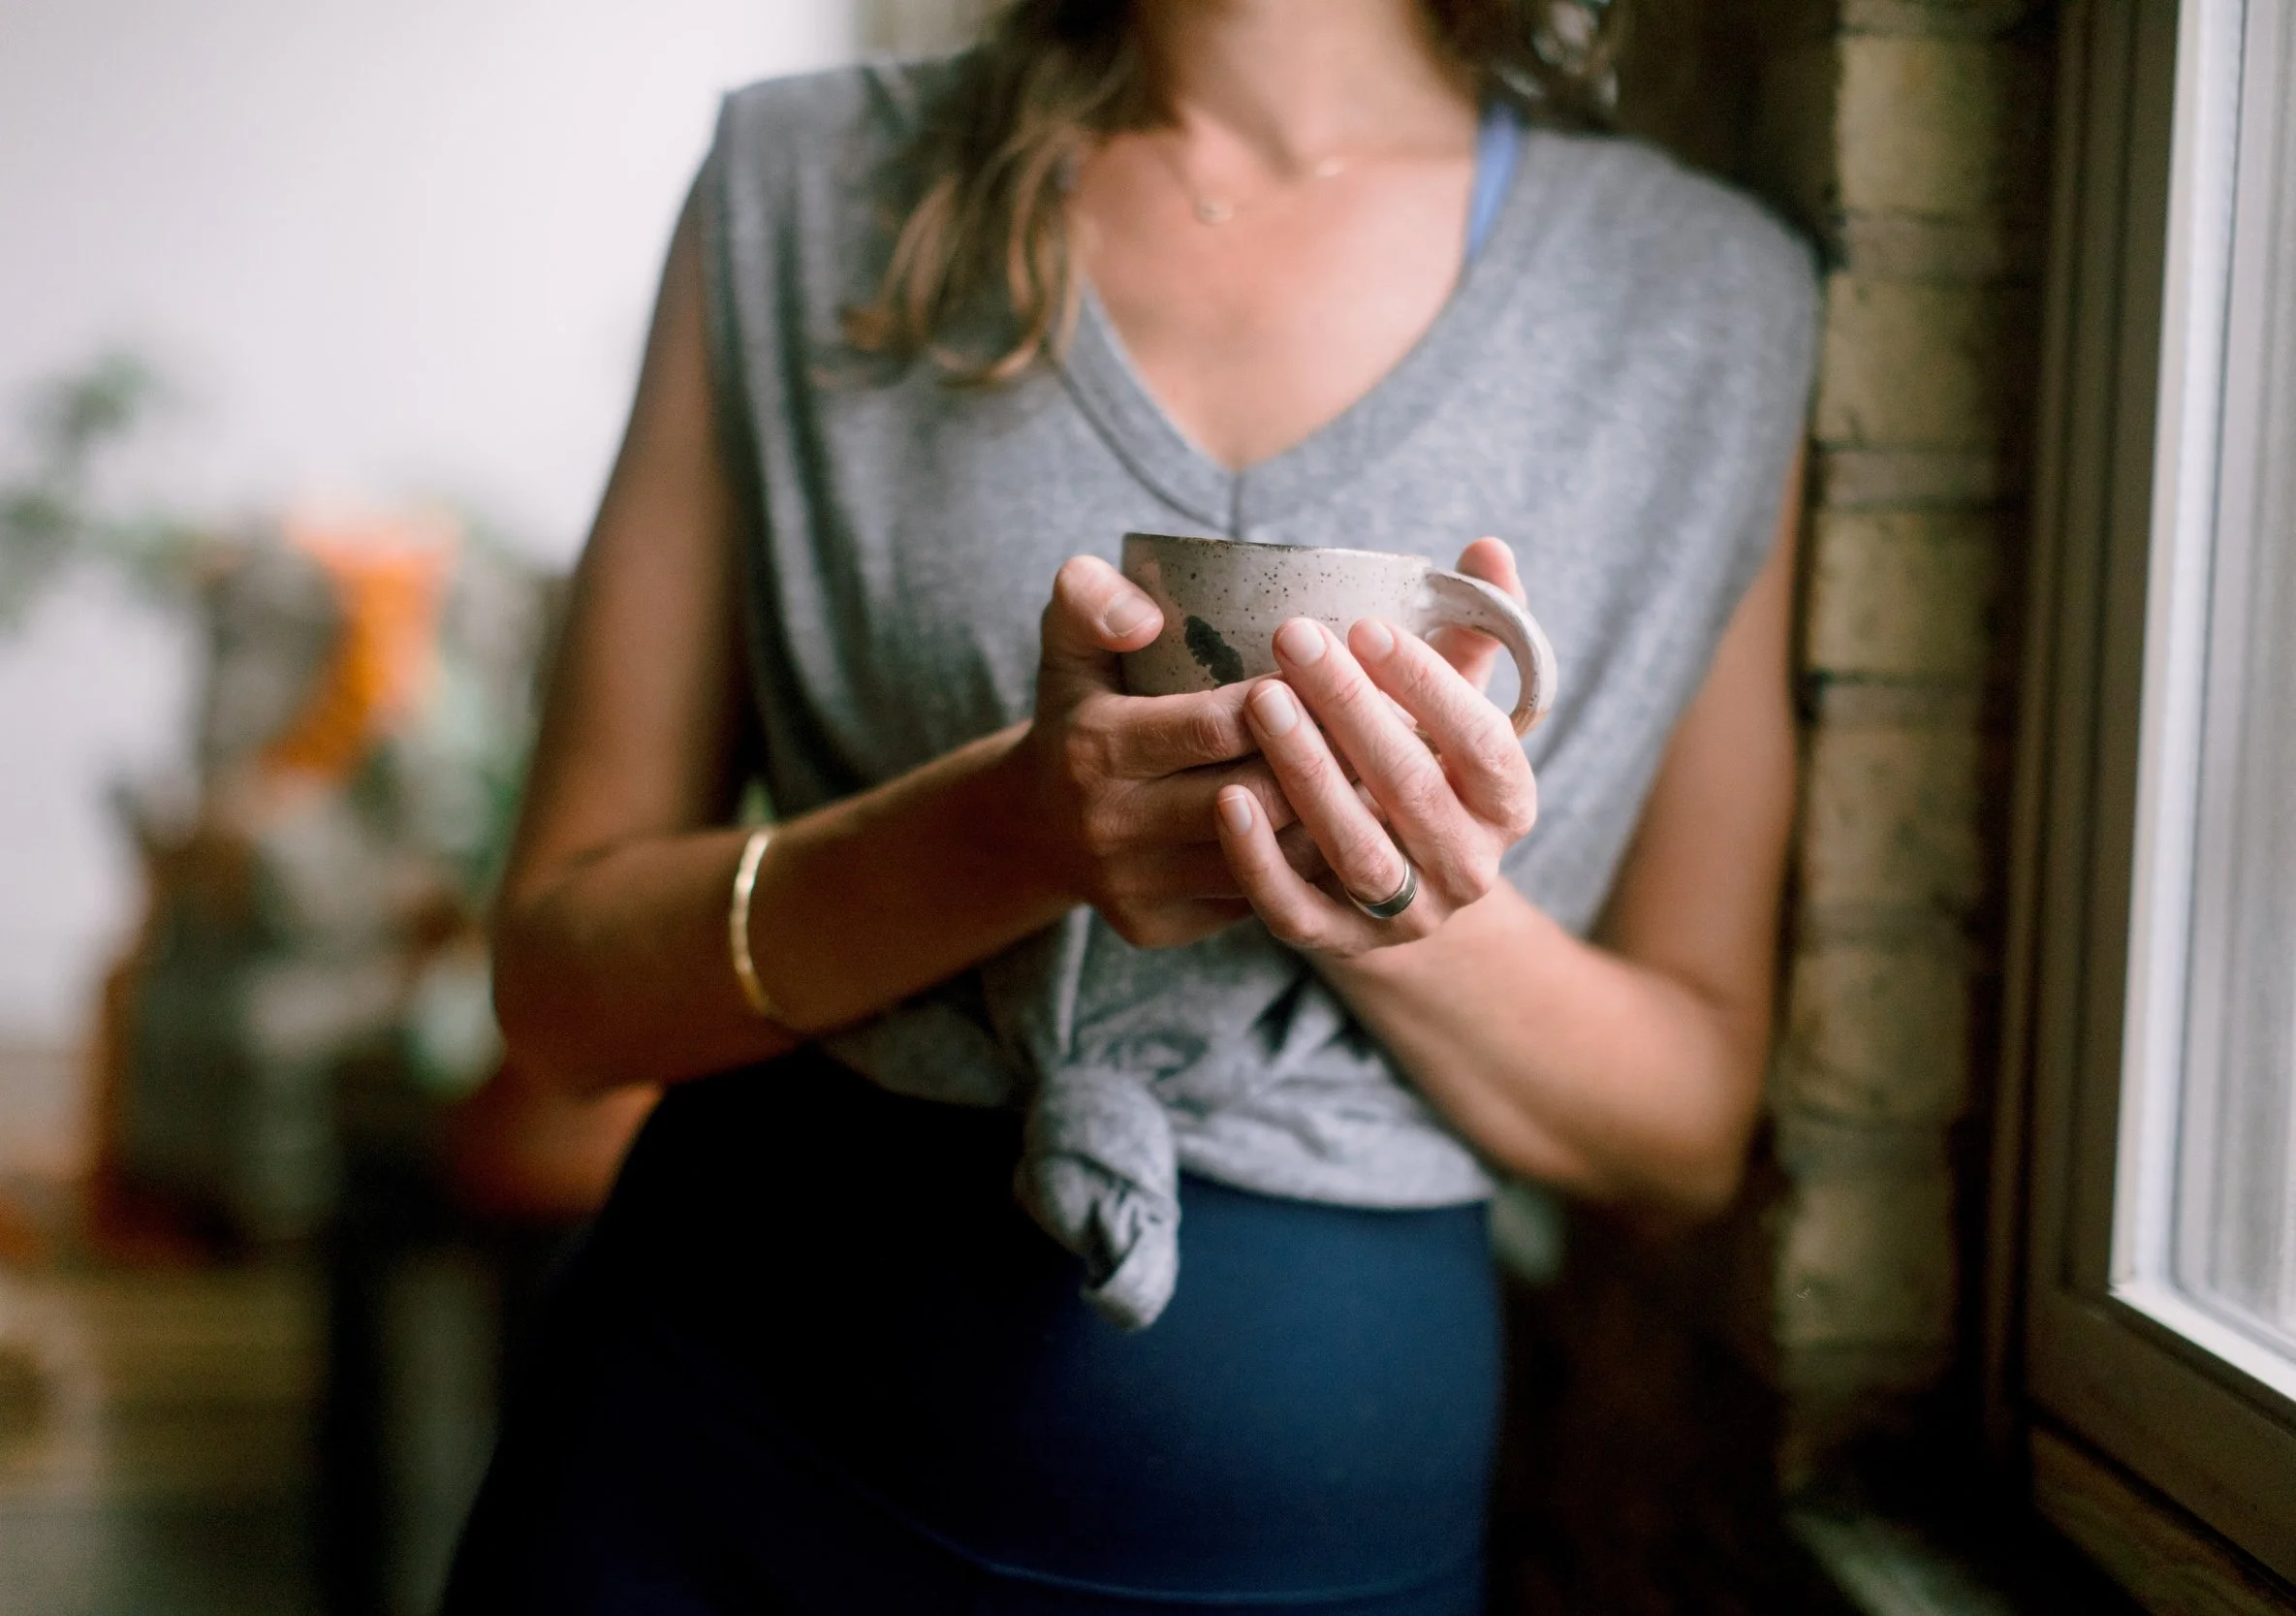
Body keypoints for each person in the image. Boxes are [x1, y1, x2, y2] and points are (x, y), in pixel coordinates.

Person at [442, 0, 1815, 1609]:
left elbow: (1687, 1119)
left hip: (1305, 1553)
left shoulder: (1705, 298)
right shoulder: (799, 186)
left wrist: (1381, 885)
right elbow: (559, 987)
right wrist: (1008, 835)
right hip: (711, 1474)